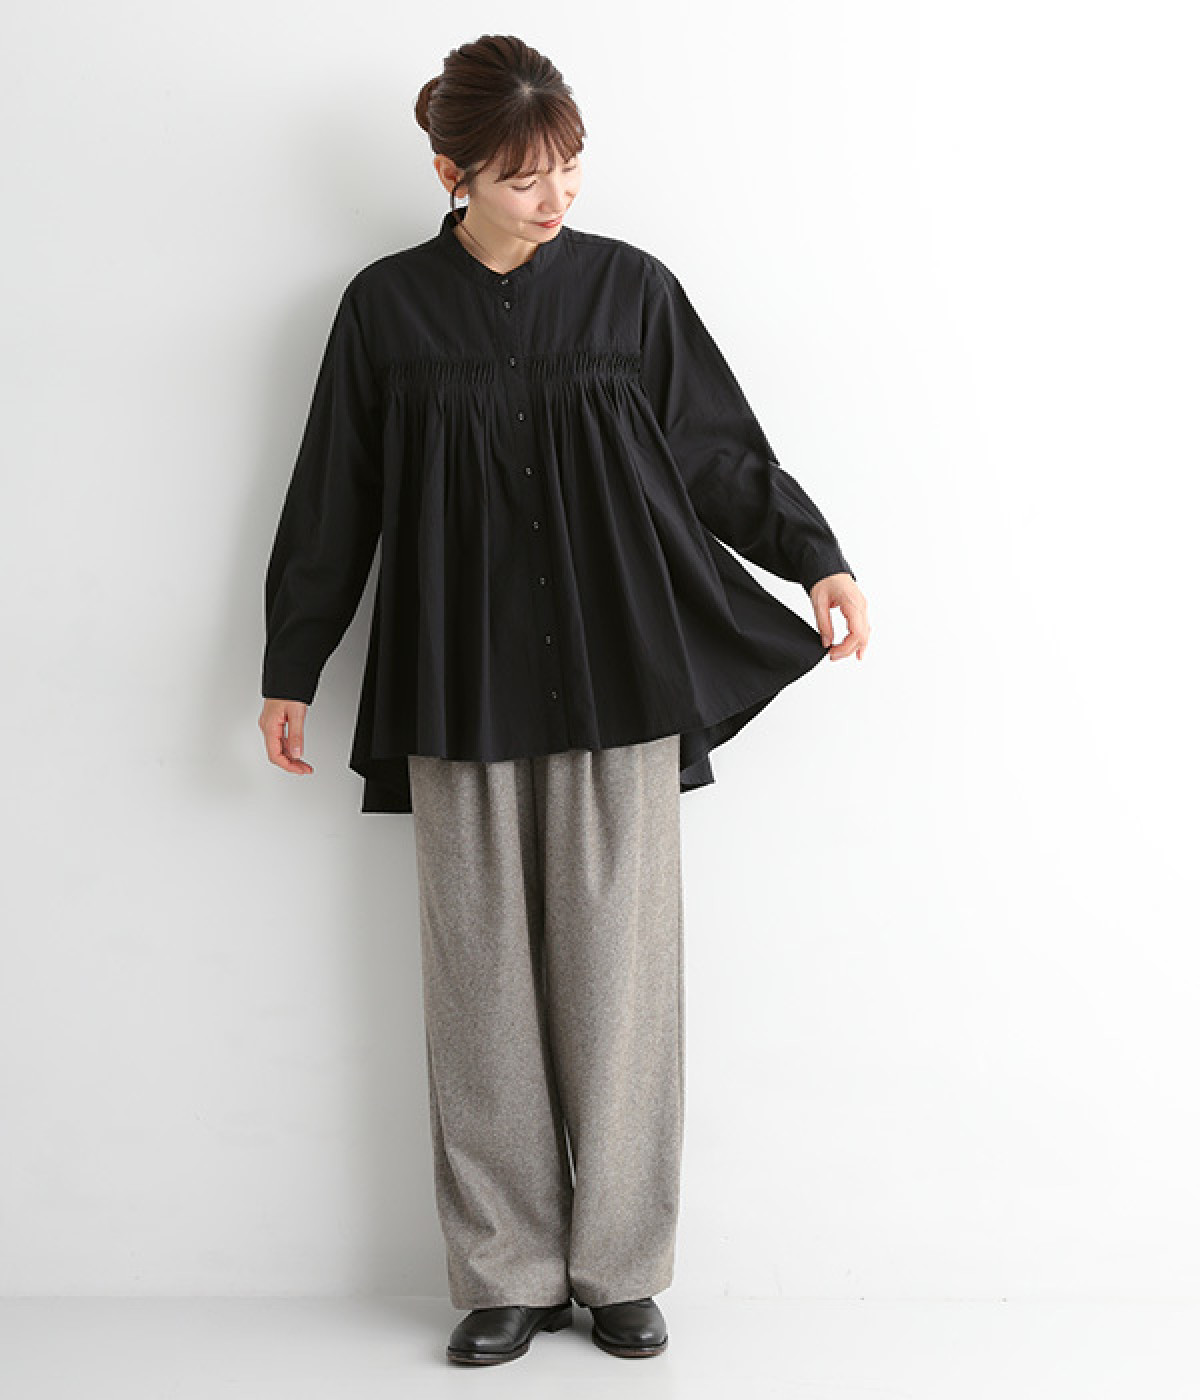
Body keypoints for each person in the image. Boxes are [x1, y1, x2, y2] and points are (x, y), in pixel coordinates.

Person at [258, 33, 870, 1368]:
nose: (556, 197)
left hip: (617, 683)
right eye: (524, 175)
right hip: (457, 685)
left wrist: (814, 557)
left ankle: (621, 1268)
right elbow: (334, 497)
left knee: (620, 990)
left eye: (570, 167)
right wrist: (292, 663)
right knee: (479, 987)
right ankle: (506, 1272)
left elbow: (717, 451)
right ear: (453, 173)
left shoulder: (630, 293)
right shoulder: (385, 311)